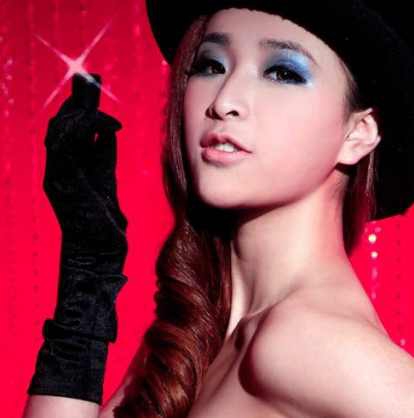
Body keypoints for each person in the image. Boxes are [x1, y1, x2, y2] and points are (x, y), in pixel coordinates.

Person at [23, 1, 414, 418]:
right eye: (211, 65)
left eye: (282, 72)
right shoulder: (198, 337)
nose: (224, 100)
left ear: (358, 134)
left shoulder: (310, 339)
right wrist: (88, 277)